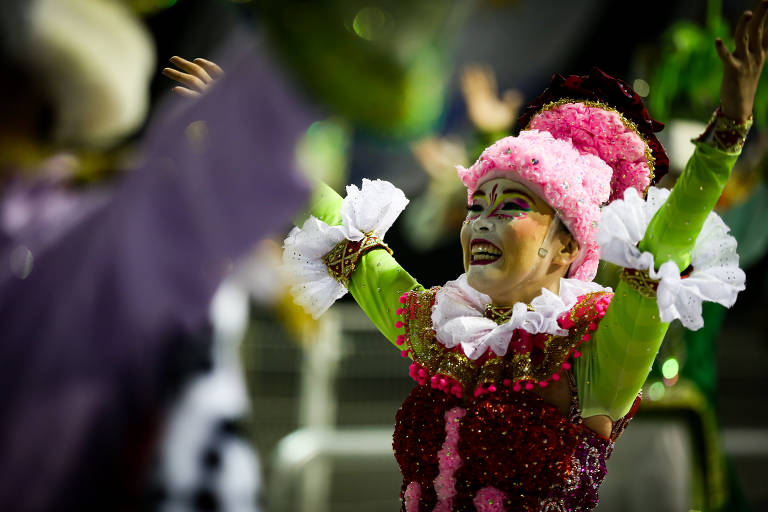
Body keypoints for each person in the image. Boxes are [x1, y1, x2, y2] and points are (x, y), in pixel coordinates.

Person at [278, 3, 768, 510]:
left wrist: (725, 136)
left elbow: (661, 252)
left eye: (510, 206)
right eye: (476, 205)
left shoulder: (594, 349)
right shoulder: (438, 327)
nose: (481, 221)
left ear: (566, 246)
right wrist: (256, 141)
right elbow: (350, 245)